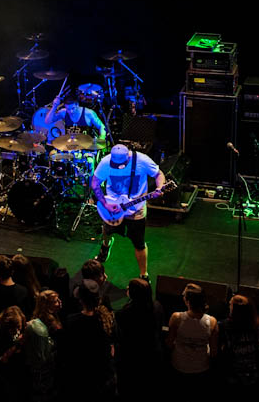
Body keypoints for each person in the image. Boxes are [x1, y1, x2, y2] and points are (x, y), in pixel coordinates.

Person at [91, 143, 165, 279]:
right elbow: (95, 183)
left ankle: (144, 274)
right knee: (106, 230)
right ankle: (105, 246)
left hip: (136, 210)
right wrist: (105, 204)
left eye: (122, 164)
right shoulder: (105, 162)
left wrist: (159, 188)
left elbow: (159, 174)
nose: (118, 167)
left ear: (128, 157)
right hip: (112, 206)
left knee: (139, 243)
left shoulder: (142, 160)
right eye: (115, 164)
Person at [168, 282, 218, 393]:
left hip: (179, 366)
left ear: (187, 300)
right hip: (201, 368)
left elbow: (169, 344)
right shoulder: (212, 321)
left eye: (184, 295)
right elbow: (214, 351)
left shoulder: (176, 318)